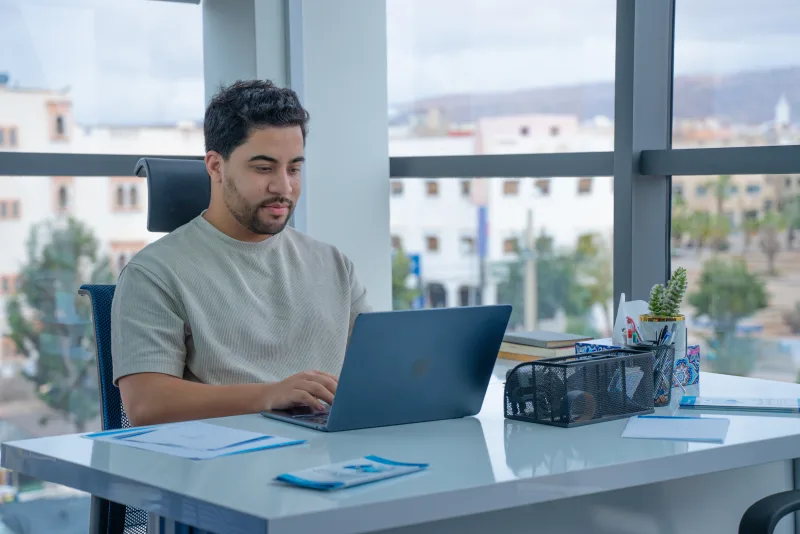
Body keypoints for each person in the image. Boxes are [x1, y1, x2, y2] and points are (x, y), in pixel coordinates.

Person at [111, 80, 371, 426]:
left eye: (294, 168)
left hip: (329, 459)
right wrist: (270, 395)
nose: (284, 187)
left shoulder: (334, 265)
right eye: (263, 169)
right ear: (216, 166)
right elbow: (146, 404)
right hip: (220, 466)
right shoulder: (155, 272)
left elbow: (379, 369)